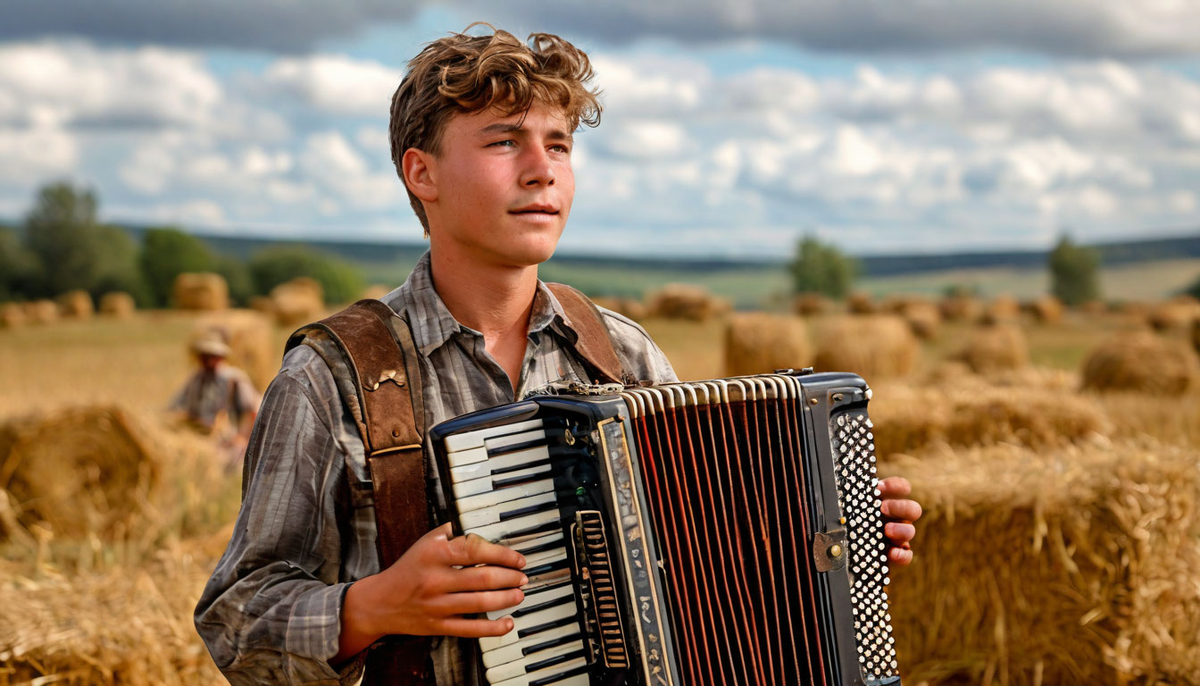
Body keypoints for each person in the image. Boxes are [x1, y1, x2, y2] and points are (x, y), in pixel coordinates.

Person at [195, 25, 922, 685]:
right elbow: (234, 622)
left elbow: (701, 556)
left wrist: (820, 536)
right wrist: (373, 606)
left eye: (560, 145)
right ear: (423, 174)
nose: (542, 170)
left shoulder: (621, 350)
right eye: (504, 142)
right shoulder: (332, 378)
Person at [170, 328, 261, 469]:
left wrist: (242, 438)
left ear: (220, 357)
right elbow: (176, 405)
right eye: (204, 355)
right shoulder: (196, 378)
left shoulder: (234, 379)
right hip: (199, 434)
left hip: (226, 439)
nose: (207, 360)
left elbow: (251, 412)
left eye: (211, 356)